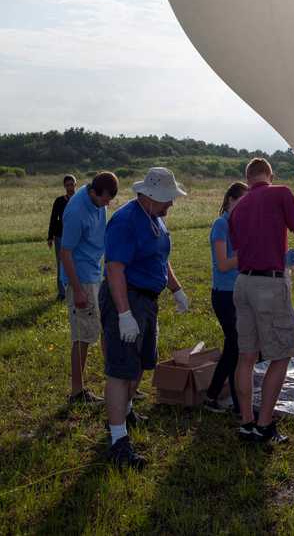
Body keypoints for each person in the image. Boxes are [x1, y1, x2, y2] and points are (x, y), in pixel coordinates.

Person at [100, 167, 190, 470]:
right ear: (151, 196)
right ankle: (117, 442)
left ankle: (124, 413)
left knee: (140, 362)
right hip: (127, 298)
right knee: (121, 369)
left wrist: (176, 289)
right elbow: (115, 269)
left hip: (147, 300)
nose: (171, 204)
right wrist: (124, 314)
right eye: (168, 199)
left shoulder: (154, 218)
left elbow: (160, 258)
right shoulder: (126, 221)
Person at [230, 157, 294, 444]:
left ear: (248, 178)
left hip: (242, 284)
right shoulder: (280, 193)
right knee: (280, 354)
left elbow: (248, 245)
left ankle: (246, 422)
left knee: (246, 356)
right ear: (269, 174)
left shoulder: (237, 207)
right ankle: (264, 425)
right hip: (269, 285)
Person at [59, 171, 119, 404]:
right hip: (80, 278)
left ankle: (115, 380)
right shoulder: (75, 212)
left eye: (110, 200)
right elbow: (65, 253)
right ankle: (77, 392)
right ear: (94, 192)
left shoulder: (98, 201)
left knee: (104, 328)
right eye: (105, 199)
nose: (107, 204)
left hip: (96, 274)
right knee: (83, 336)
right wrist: (78, 290)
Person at [203, 181, 249, 414]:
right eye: (242, 202)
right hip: (223, 294)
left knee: (241, 346)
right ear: (230, 200)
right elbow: (222, 264)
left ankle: (232, 396)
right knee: (235, 345)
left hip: (240, 291)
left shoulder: (241, 225)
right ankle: (215, 396)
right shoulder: (220, 225)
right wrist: (247, 252)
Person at [47, 174, 77, 300]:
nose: (70, 187)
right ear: (64, 186)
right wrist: (50, 236)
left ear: (76, 184)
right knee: (61, 263)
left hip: (77, 236)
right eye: (67, 185)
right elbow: (53, 218)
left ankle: (76, 289)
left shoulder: (80, 200)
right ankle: (62, 293)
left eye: (72, 184)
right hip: (61, 236)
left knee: (76, 262)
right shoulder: (59, 201)